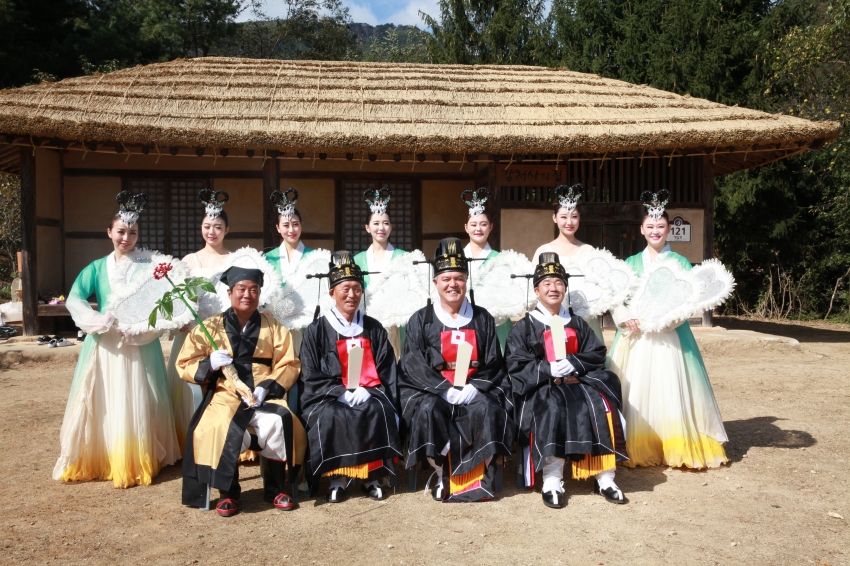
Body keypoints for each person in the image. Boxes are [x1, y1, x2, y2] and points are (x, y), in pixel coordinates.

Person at [53, 191, 180, 488]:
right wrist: (98, 320)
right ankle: (107, 456)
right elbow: (75, 298)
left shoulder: (148, 267)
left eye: (132, 232)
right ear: (109, 232)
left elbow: (161, 303)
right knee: (106, 400)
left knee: (140, 397)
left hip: (138, 343)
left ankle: (138, 457)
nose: (126, 238)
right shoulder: (96, 268)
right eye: (121, 231)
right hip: (105, 344)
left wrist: (142, 327)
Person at [607, 191, 728, 469]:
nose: (655, 231)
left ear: (669, 228)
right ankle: (639, 442)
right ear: (641, 229)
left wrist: (664, 320)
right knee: (637, 390)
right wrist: (624, 316)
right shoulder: (630, 264)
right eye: (650, 226)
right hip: (636, 339)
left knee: (669, 388)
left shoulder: (681, 263)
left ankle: (672, 441)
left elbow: (687, 303)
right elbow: (617, 298)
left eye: (660, 226)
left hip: (668, 337)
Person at [177, 267, 307, 516]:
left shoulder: (273, 326)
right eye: (241, 289)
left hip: (263, 395)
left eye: (254, 290)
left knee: (282, 420)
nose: (248, 294)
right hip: (227, 394)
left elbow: (289, 363)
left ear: (259, 294)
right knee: (220, 424)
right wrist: (209, 363)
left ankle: (275, 489)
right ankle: (228, 493)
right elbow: (184, 363)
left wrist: (266, 388)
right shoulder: (211, 327)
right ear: (229, 293)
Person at [505, 252, 628, 508]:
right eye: (547, 284)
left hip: (580, 383)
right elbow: (516, 366)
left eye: (559, 283)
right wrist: (547, 368)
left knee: (602, 403)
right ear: (536, 290)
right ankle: (552, 477)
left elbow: (596, 353)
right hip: (543, 387)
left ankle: (604, 475)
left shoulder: (577, 323)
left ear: (565, 288)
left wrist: (574, 363)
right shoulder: (525, 327)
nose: (553, 288)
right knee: (552, 407)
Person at [399, 237, 515, 502]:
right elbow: (412, 364)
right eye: (446, 279)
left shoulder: (482, 317)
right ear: (435, 283)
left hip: (474, 389)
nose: (453, 284)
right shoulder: (421, 319)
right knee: (427, 410)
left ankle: (478, 475)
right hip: (434, 393)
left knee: (488, 407)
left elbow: (493, 362)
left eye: (459, 278)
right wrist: (443, 391)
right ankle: (441, 472)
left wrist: (474, 387)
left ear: (466, 281)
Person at [300, 251, 403, 503]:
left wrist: (370, 390)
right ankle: (338, 477)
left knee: (376, 408)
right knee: (332, 414)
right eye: (345, 288)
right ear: (332, 292)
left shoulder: (373, 328)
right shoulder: (317, 330)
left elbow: (386, 368)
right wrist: (340, 393)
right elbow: (310, 372)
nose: (352, 295)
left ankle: (372, 476)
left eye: (357, 289)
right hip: (329, 396)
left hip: (369, 391)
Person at [166, 189, 232, 453]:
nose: (212, 232)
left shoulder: (234, 260)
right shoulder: (188, 261)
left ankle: (225, 438)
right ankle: (191, 439)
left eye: (217, 227)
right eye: (207, 226)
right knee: (191, 387)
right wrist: (182, 319)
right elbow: (177, 296)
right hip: (193, 334)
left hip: (222, 333)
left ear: (227, 229)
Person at [533, 184, 611, 340]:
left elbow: (601, 284)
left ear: (579, 218)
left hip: (585, 319)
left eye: (574, 216)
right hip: (551, 318)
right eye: (563, 217)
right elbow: (535, 286)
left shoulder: (589, 251)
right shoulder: (544, 251)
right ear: (554, 218)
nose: (569, 222)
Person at [353, 188, 408, 356]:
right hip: (365, 323)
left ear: (391, 227)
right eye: (376, 223)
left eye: (385, 223)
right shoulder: (357, 260)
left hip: (395, 327)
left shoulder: (403, 258)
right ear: (367, 228)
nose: (381, 228)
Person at [263, 188, 317, 349]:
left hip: (306, 324)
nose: (291, 230)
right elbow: (262, 290)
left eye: (295, 224)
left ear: (301, 226)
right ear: (278, 228)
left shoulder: (314, 257)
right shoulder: (267, 258)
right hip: (275, 323)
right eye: (286, 225)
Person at [461, 188, 513, 350]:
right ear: (466, 227)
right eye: (473, 224)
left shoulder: (501, 259)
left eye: (483, 224)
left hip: (497, 324)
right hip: (463, 321)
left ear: (491, 227)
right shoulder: (458, 258)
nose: (478, 229)